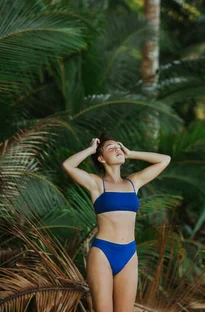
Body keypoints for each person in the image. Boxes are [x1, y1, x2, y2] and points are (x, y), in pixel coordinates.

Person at [61, 132, 171, 312]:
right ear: (102, 158)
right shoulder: (96, 184)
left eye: (119, 147)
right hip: (103, 252)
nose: (118, 149)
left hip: (129, 253)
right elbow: (68, 165)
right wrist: (90, 149)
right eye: (111, 148)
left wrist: (131, 153)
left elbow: (165, 160)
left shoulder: (134, 182)